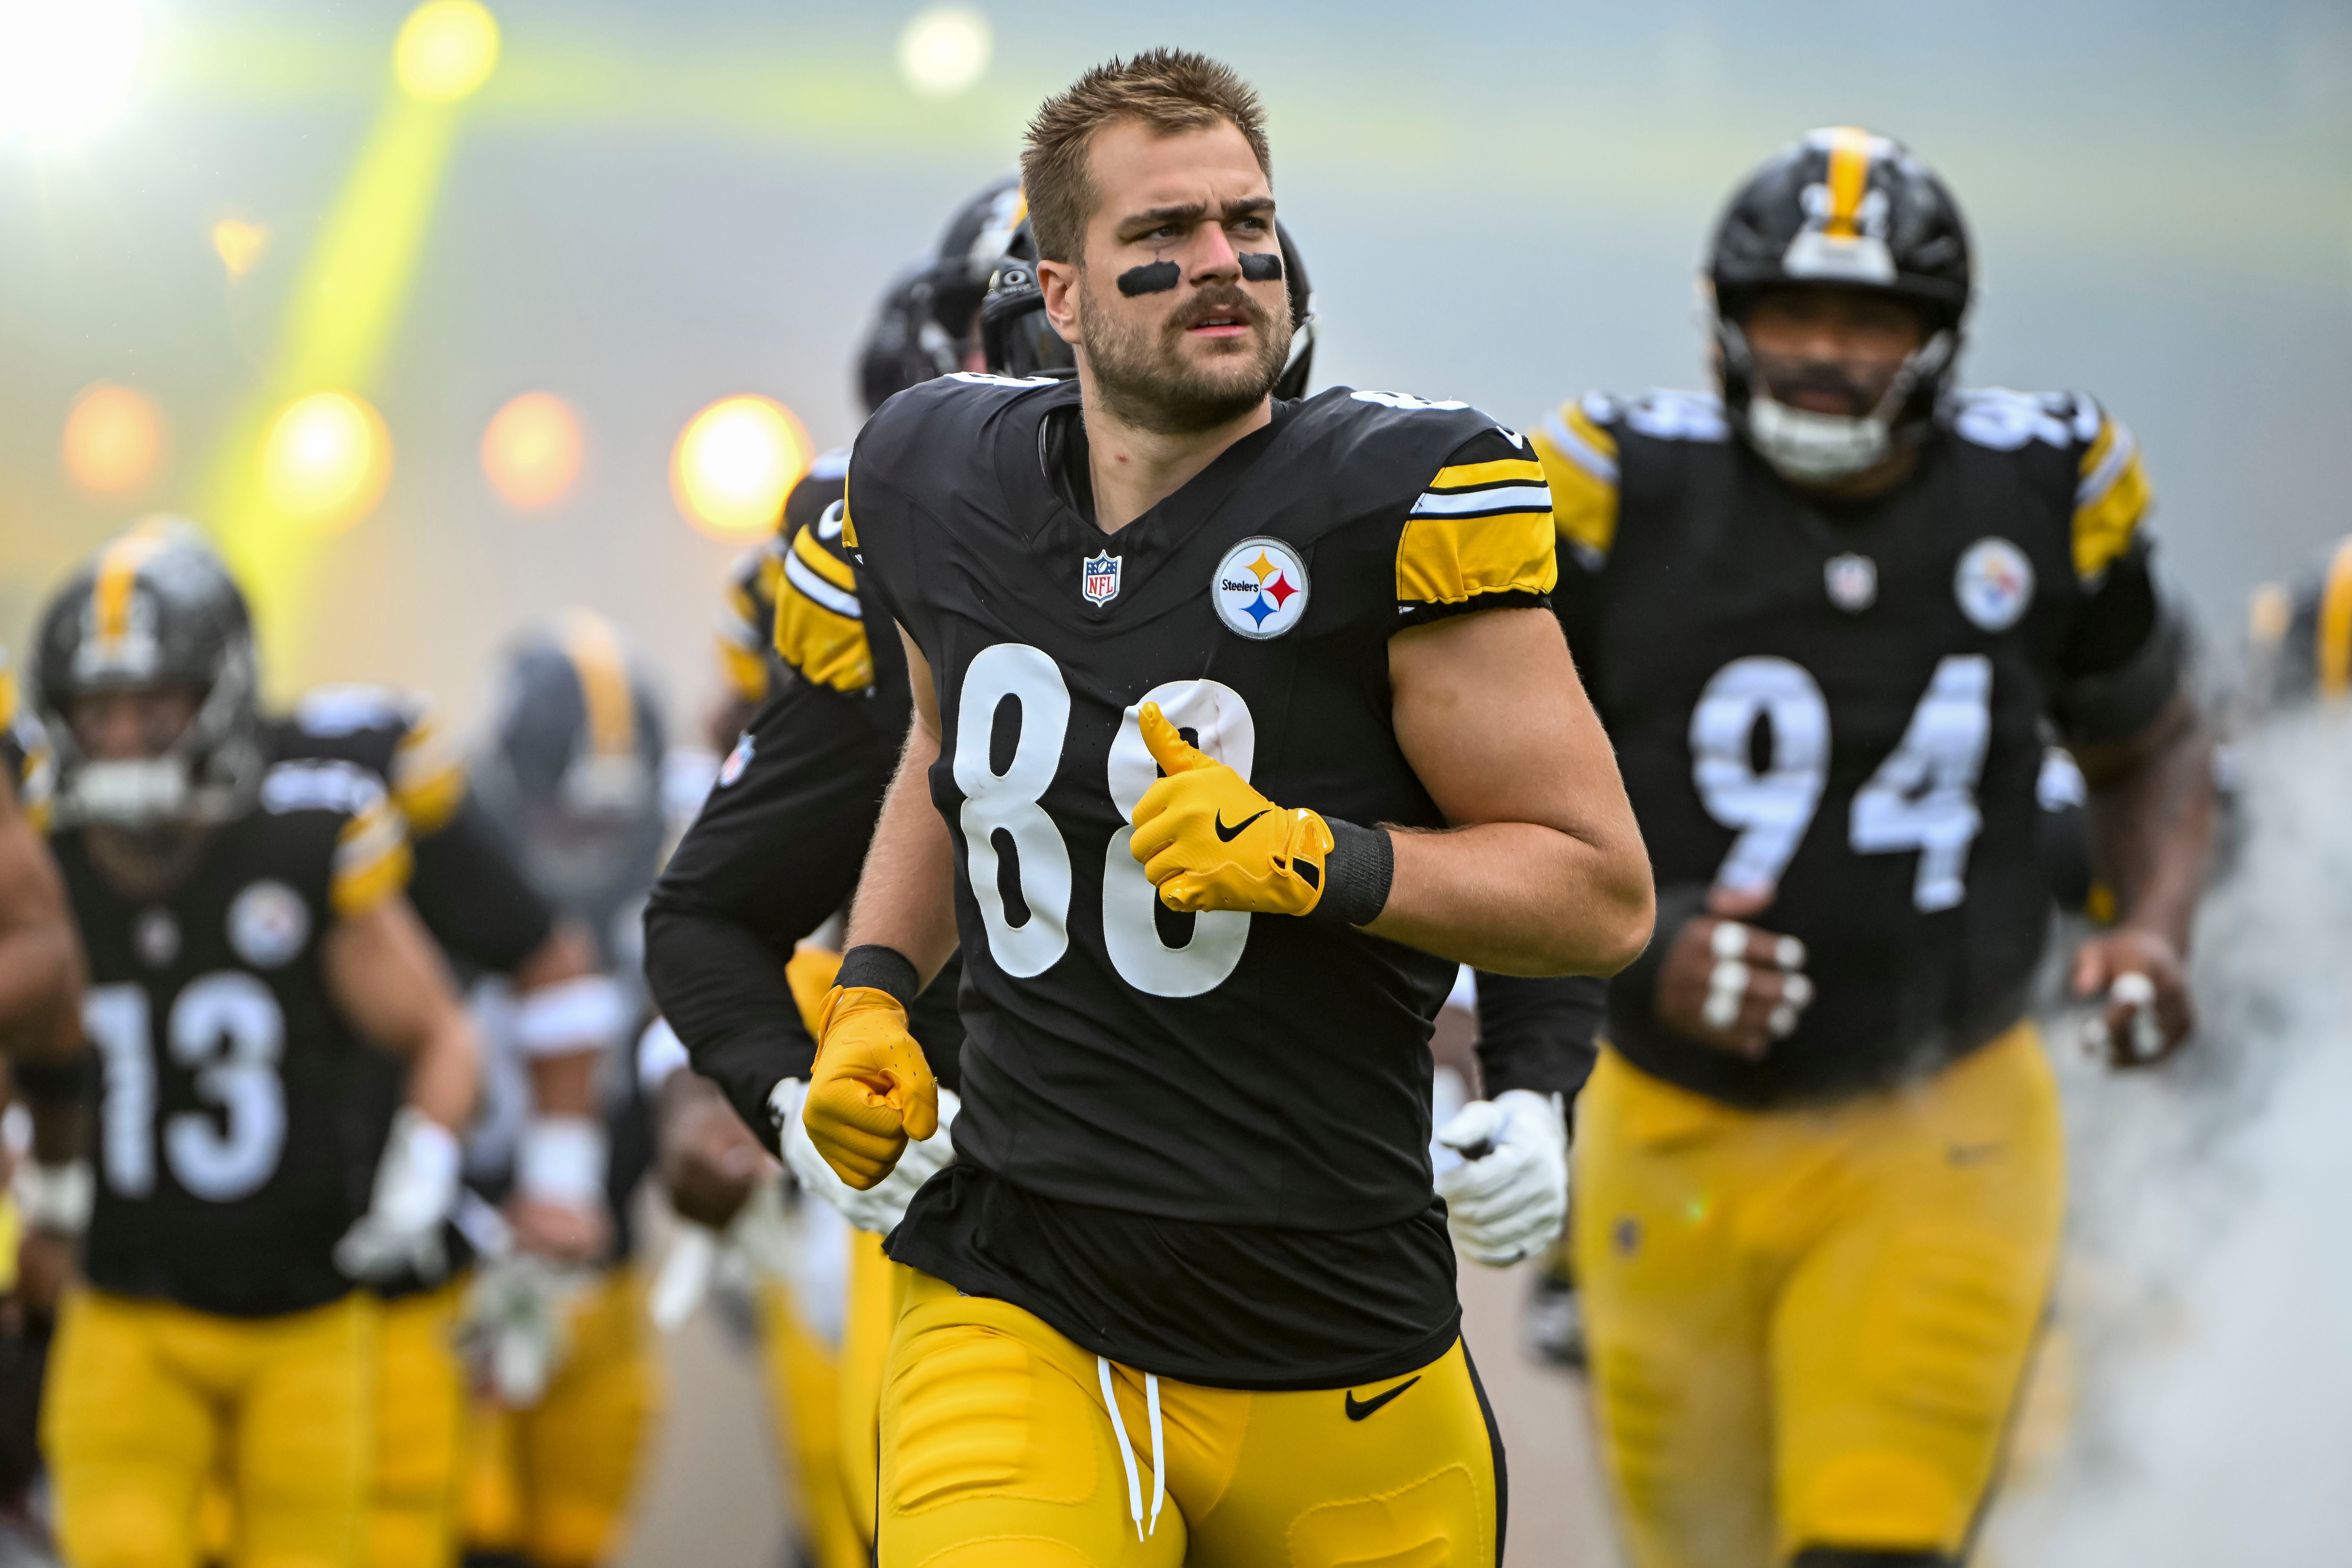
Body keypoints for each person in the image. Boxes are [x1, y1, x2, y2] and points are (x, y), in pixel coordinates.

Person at [802, 49, 1652, 1565]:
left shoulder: (1400, 496)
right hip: (1024, 1295)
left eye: (1246, 223)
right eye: (1163, 234)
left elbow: (1598, 893)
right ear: (1060, 295)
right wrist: (873, 992)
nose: (1222, 263)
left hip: (1337, 1336)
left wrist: (1320, 860)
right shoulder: (935, 471)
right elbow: (944, 745)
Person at [1530, 127, 2215, 1568]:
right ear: (1727, 321)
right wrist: (1648, 940)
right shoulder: (1608, 489)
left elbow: (2148, 741)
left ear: (1939, 339)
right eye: (1794, 314)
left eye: (1869, 320)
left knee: (1875, 1543)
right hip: (1670, 1127)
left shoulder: (2043, 487)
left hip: (1940, 1117)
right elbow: (1483, 775)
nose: (1828, 355)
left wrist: (2152, 928)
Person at [26, 523, 478, 1568]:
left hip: (306, 1314)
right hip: (127, 1306)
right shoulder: (44, 859)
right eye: (98, 710)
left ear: (221, 693)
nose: (124, 738)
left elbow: (441, 1036)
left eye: (154, 704)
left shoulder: (308, 837)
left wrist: (420, 1171)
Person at [444, 611, 668, 1568]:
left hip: (605, 1280)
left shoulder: (672, 897)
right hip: (456, 1278)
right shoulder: (437, 888)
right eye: (564, 818)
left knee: (575, 1543)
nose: (585, 847)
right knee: (464, 1537)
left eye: (606, 824)